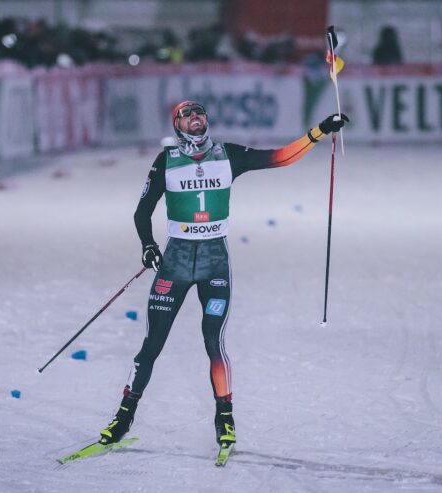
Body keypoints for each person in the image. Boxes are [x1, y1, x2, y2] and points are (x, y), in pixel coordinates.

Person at [98, 101, 349, 450]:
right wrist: (148, 245)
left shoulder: (227, 154)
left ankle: (225, 419)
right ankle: (123, 417)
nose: (195, 117)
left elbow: (280, 157)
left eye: (199, 112)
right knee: (152, 345)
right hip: (177, 262)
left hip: (215, 261)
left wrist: (319, 131)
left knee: (214, 342)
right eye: (187, 114)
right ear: (177, 125)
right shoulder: (166, 161)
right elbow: (142, 212)